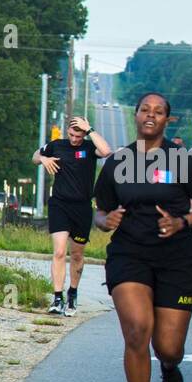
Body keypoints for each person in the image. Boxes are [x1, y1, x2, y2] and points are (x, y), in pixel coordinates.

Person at [93, 92, 192, 382]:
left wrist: (184, 222)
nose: (151, 115)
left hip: (176, 257)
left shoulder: (185, 159)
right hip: (129, 254)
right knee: (136, 330)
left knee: (168, 346)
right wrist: (106, 220)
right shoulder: (117, 162)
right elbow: (100, 211)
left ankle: (168, 364)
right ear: (135, 116)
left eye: (158, 111)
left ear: (167, 120)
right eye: (145, 110)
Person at [34, 115, 112, 315]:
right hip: (59, 204)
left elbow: (106, 151)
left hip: (82, 207)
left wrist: (91, 129)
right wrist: (43, 159)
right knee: (59, 251)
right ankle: (57, 297)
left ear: (84, 133)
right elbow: (35, 156)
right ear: (66, 131)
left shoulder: (88, 148)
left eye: (78, 135)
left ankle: (72, 294)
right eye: (71, 134)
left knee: (76, 254)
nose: (74, 139)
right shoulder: (57, 145)